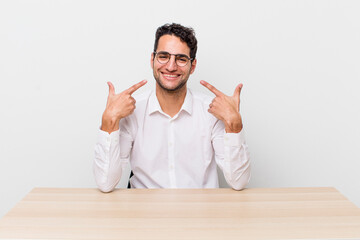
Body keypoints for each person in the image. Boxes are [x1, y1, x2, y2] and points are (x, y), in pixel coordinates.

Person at [94, 23, 250, 192]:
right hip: (144, 212)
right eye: (163, 56)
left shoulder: (211, 111)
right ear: (152, 60)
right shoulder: (132, 110)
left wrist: (234, 124)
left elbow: (239, 181)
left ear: (193, 66)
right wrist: (109, 121)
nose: (171, 66)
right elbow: (105, 183)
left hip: (201, 212)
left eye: (181, 59)